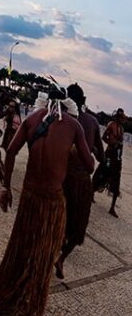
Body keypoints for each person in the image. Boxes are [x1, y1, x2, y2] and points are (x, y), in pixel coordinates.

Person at [0, 88, 95, 316]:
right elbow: (90, 165)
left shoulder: (33, 119)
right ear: (68, 103)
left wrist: (6, 188)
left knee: (21, 245)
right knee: (43, 253)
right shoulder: (74, 127)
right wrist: (69, 150)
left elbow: (10, 150)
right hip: (51, 201)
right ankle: (28, 303)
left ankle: (7, 290)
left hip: (29, 197)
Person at [55, 84, 104, 279]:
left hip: (60, 178)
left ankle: (51, 252)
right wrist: (90, 149)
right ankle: (61, 258)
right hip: (81, 181)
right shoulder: (91, 122)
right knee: (77, 228)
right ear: (82, 101)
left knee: (57, 220)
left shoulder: (60, 120)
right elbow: (99, 157)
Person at [94, 108, 126, 217]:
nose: (122, 120)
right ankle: (91, 194)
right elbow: (104, 137)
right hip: (109, 154)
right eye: (121, 118)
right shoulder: (111, 125)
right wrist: (112, 143)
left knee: (116, 179)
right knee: (102, 173)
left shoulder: (122, 128)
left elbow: (121, 141)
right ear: (118, 117)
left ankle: (112, 207)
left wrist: (119, 145)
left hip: (117, 157)